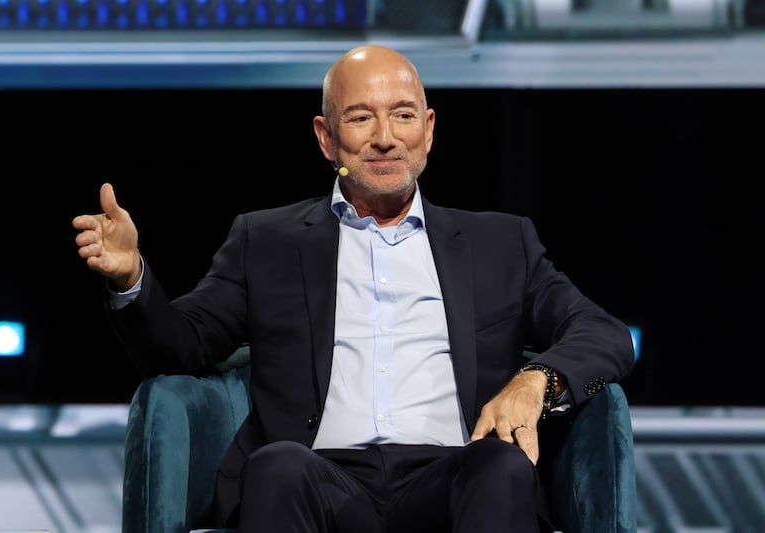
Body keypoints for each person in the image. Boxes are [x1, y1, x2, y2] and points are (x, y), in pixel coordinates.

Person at [73, 44, 635, 532]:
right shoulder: (265, 240)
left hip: (453, 472)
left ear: (430, 130)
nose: (386, 139)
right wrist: (131, 279)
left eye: (404, 115)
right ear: (326, 137)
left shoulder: (501, 243)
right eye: (361, 118)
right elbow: (182, 345)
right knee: (276, 466)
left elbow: (605, 333)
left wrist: (538, 379)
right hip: (320, 476)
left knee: (501, 466)